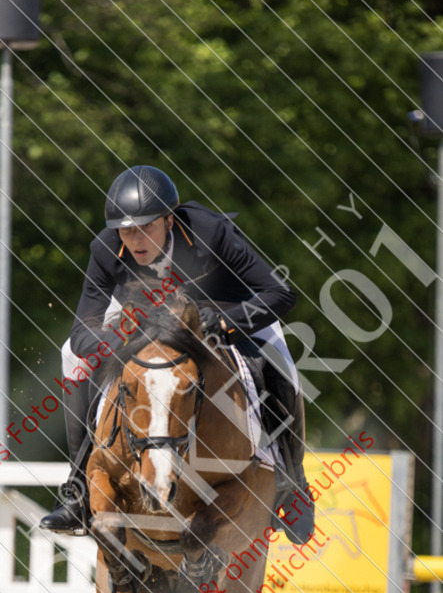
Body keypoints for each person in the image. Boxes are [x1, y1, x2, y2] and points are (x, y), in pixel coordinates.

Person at [40, 165, 313, 544]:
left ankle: (295, 486)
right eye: (126, 229)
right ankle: (77, 489)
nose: (135, 239)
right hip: (142, 315)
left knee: (279, 358)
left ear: (169, 220)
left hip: (224, 307)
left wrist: (226, 322)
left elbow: (280, 294)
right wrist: (118, 343)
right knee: (71, 354)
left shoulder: (210, 231)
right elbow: (81, 329)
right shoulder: (106, 249)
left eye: (146, 227)